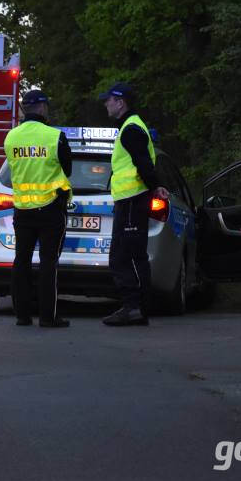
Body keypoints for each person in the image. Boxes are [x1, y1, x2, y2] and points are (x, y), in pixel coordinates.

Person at [98, 82, 169, 326]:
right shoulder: (130, 127)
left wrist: (154, 185)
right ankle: (133, 307)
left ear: (120, 102)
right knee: (125, 255)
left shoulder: (131, 129)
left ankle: (134, 307)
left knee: (125, 256)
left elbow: (143, 162)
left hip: (133, 200)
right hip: (130, 200)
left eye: (109, 100)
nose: (106, 104)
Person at [3, 89, 73, 328]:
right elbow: (68, 170)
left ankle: (22, 316)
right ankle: (47, 316)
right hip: (50, 208)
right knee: (48, 262)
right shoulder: (55, 136)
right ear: (43, 108)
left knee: (21, 261)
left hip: (22, 208)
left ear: (24, 108)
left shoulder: (11, 137)